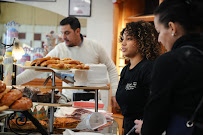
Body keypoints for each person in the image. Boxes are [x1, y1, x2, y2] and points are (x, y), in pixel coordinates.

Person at [135, 0, 203, 135]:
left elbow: (155, 117)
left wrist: (145, 128)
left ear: (172, 28)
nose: (159, 39)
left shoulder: (170, 61)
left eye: (159, 31)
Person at [17, 17, 118, 105]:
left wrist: (114, 92)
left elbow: (111, 68)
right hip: (68, 101)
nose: (63, 37)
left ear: (77, 31)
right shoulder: (59, 49)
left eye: (67, 33)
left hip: (93, 100)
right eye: (62, 33)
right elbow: (36, 69)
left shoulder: (95, 46)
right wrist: (13, 82)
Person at [116, 21, 162, 135]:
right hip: (128, 128)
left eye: (129, 38)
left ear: (142, 42)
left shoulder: (148, 68)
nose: (123, 43)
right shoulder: (125, 70)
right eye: (122, 39)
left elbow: (156, 105)